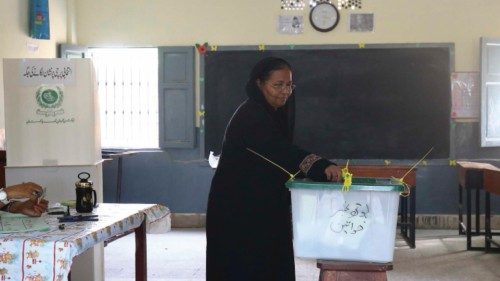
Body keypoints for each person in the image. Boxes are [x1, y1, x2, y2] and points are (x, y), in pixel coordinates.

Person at [206, 57, 341, 281]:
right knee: (243, 266)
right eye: (277, 85)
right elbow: (279, 151)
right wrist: (320, 165)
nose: (285, 91)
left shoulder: (273, 113)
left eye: (289, 84)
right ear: (259, 84)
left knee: (269, 262)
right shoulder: (252, 115)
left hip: (261, 204)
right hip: (237, 209)